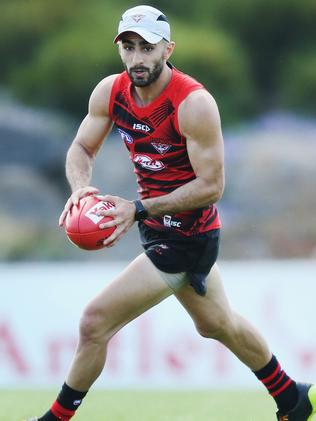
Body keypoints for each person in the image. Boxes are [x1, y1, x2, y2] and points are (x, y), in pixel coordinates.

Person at [24, 5, 315, 421]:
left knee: (94, 323)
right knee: (217, 324)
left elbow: (212, 187)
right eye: (129, 46)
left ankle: (54, 419)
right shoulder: (110, 91)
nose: (137, 57)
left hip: (187, 236)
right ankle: (292, 398)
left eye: (147, 47)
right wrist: (80, 188)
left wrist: (138, 210)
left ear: (168, 48)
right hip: (158, 225)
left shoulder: (193, 103)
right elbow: (81, 148)